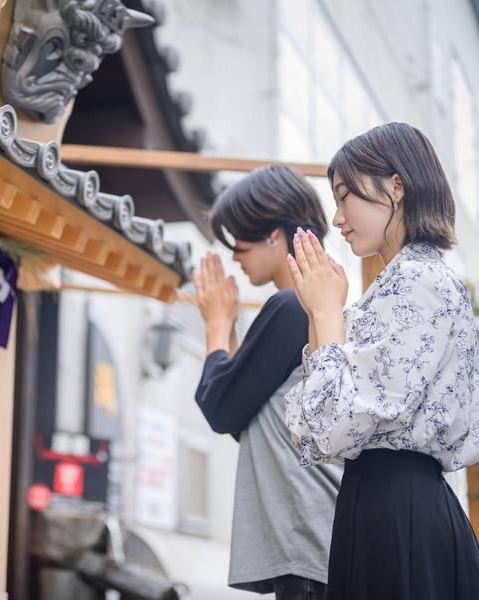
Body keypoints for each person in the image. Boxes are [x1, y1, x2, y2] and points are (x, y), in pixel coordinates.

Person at [285, 122, 479, 599]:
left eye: (346, 194)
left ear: (397, 185)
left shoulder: (420, 282)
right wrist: (321, 315)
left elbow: (331, 425)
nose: (337, 217)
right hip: (384, 506)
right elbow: (313, 431)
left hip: (400, 512)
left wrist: (328, 314)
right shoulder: (397, 285)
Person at [194, 165, 341, 600]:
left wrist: (217, 325)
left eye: (238, 240)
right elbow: (254, 417)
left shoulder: (292, 305)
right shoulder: (309, 305)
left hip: (308, 539)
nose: (235, 257)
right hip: (313, 537)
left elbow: (221, 410)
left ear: (274, 233)